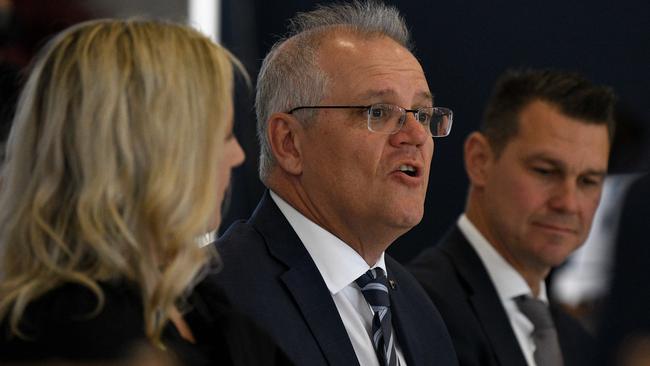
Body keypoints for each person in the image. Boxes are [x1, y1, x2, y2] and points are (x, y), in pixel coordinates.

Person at [0, 19, 287, 365]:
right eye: (224, 135)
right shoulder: (76, 336)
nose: (239, 155)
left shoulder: (201, 302)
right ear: (160, 155)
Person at [208, 1, 458, 366]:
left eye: (422, 113)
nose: (417, 134)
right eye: (378, 112)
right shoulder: (220, 299)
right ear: (289, 143)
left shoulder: (420, 309)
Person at [409, 68, 616, 366]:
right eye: (545, 171)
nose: (569, 203)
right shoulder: (418, 309)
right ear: (479, 161)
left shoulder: (577, 342)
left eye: (588, 181)